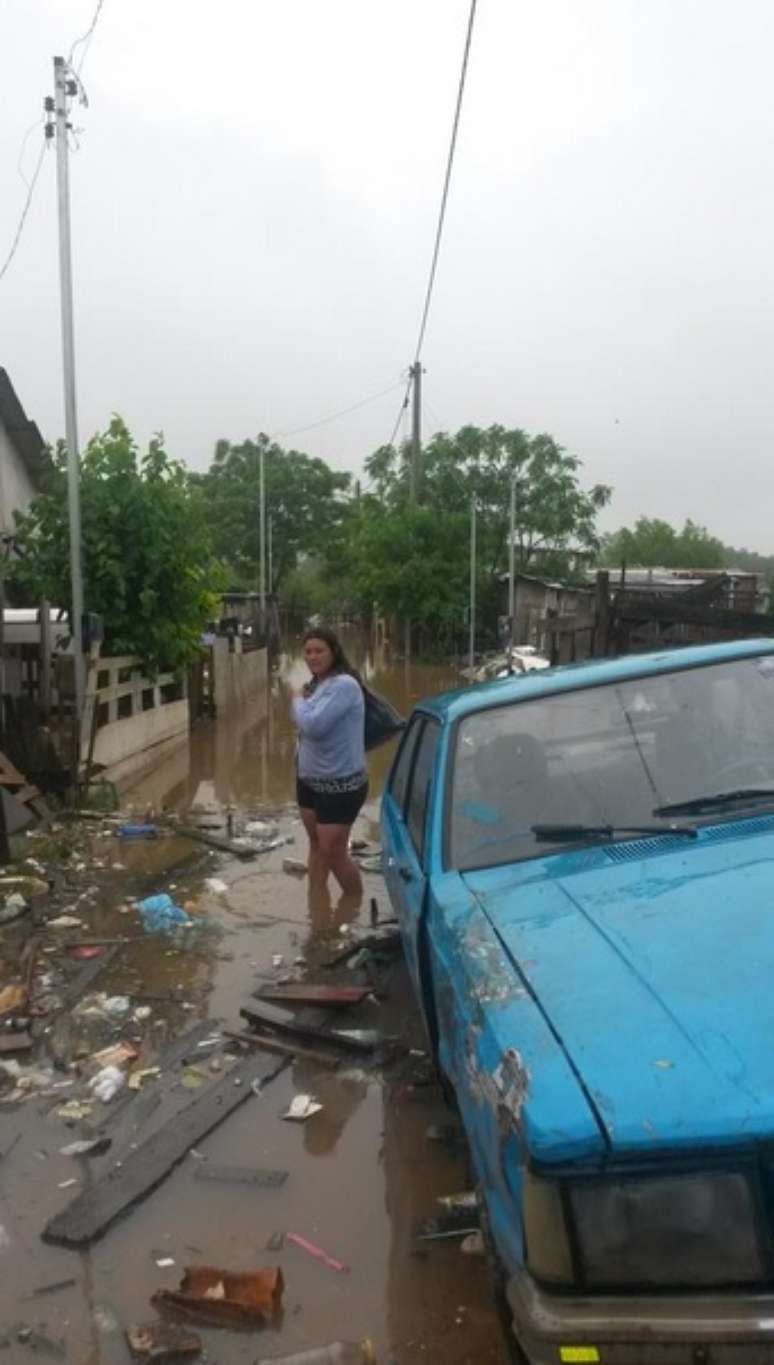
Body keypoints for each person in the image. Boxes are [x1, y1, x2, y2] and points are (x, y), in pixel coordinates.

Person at [291, 627, 367, 897]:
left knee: (334, 853)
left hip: (341, 784)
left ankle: (354, 906)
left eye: (319, 650)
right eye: (308, 652)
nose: (313, 657)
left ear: (334, 652)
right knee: (315, 845)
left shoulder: (344, 685)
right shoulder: (317, 686)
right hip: (309, 781)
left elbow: (313, 725)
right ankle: (317, 908)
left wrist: (297, 699)